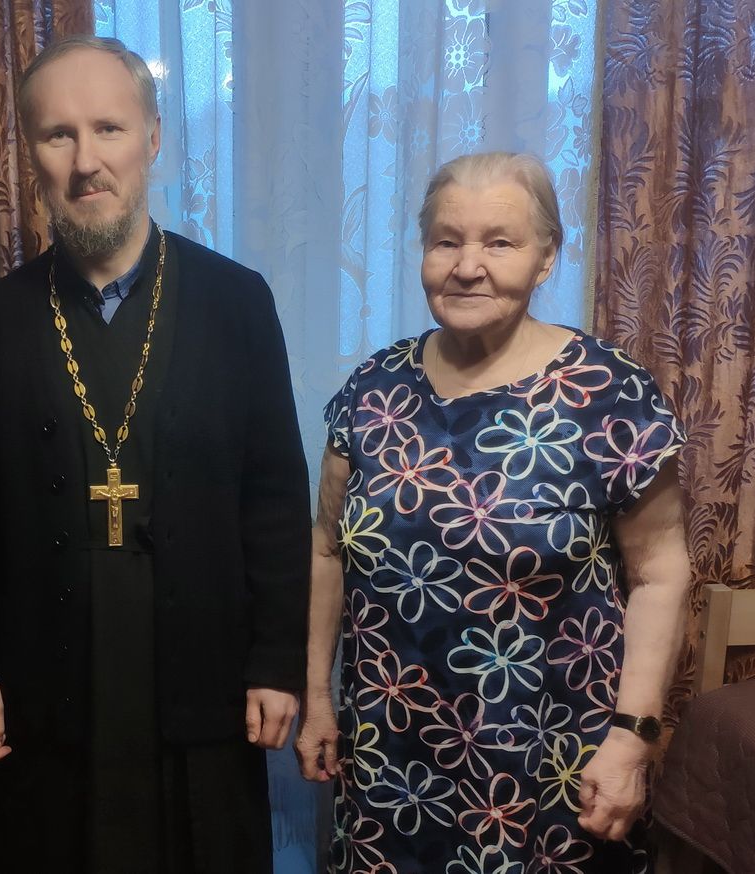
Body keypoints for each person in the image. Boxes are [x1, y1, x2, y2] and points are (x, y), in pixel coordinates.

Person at [0, 34, 312, 874]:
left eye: (108, 128)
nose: (86, 161)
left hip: (204, 675)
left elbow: (275, 499)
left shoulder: (237, 300)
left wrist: (276, 661)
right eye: (58, 134)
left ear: (153, 138)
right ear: (31, 153)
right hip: (47, 682)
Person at [295, 152, 691, 873]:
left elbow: (660, 575)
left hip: (550, 761)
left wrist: (632, 737)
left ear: (546, 258)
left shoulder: (610, 393)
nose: (468, 266)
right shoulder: (373, 389)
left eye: (500, 242)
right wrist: (318, 697)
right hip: (390, 756)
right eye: (446, 241)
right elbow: (327, 549)